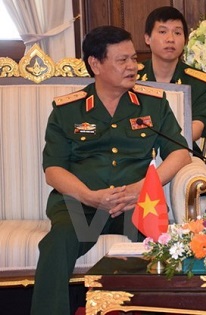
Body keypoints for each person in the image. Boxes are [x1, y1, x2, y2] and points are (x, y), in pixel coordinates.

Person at [30, 25, 191, 315]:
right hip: (81, 205)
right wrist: (91, 197)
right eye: (122, 60)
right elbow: (53, 170)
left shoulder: (153, 105)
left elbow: (180, 153)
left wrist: (141, 188)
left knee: (159, 240)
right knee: (57, 243)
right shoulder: (67, 110)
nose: (133, 66)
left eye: (134, 59)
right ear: (96, 64)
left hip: (137, 203)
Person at [138, 6, 206, 154]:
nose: (170, 39)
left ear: (185, 40)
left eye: (177, 33)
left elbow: (197, 127)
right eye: (162, 32)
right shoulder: (131, 77)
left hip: (180, 151)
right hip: (136, 154)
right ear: (147, 38)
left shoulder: (199, 82)